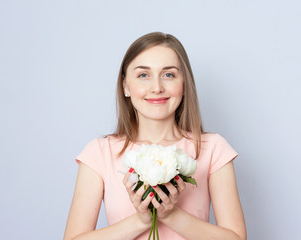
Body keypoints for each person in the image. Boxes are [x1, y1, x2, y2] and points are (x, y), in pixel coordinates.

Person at [64, 32, 246, 240]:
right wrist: (140, 221)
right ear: (125, 86)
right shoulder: (99, 153)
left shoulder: (212, 148)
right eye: (143, 75)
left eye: (168, 74)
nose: (157, 87)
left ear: (184, 84)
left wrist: (172, 215)